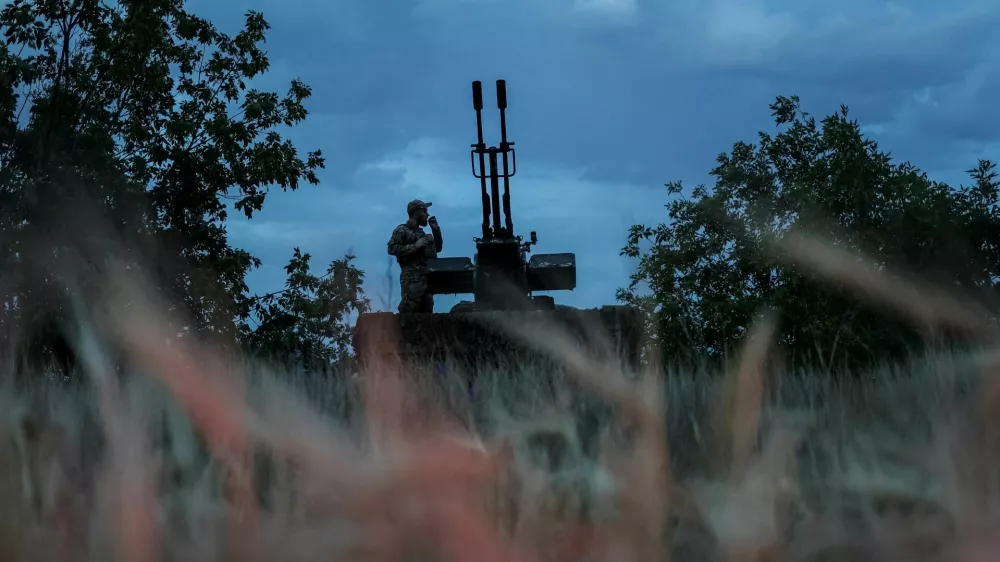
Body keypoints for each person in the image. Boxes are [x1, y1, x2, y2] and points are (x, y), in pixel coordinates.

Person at [387, 199, 443, 313]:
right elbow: (392, 249)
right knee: (409, 310)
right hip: (411, 278)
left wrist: (436, 231)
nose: (427, 214)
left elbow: (437, 249)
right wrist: (414, 247)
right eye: (424, 211)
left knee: (426, 313)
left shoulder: (421, 233)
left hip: (425, 279)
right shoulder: (402, 230)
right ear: (415, 212)